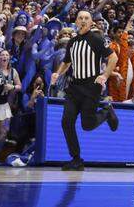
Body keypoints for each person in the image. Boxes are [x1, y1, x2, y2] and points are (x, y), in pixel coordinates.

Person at [51, 10, 119, 171]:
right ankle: (76, 159)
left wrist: (105, 75)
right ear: (76, 21)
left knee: (87, 125)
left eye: (86, 18)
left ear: (90, 23)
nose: (83, 20)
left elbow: (113, 58)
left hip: (91, 87)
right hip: (74, 88)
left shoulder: (96, 39)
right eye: (80, 18)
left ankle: (107, 112)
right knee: (66, 122)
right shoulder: (72, 42)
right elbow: (67, 62)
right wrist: (57, 73)